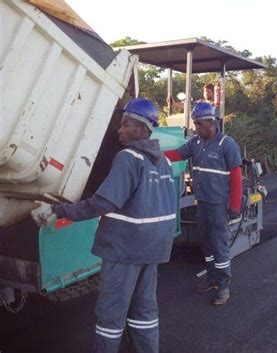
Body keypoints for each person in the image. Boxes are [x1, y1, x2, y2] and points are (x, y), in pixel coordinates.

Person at [31, 98, 177, 353]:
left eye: (125, 125)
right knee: (144, 310)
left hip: (125, 248)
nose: (119, 130)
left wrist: (57, 210)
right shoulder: (162, 161)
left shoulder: (128, 158)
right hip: (153, 248)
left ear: (141, 129)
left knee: (110, 313)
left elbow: (101, 204)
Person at [164, 101, 242, 306]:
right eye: (195, 124)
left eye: (199, 125)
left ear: (211, 122)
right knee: (206, 244)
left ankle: (224, 287)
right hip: (203, 203)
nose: (196, 128)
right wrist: (152, 154)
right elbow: (177, 154)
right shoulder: (196, 143)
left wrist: (234, 205)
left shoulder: (227, 144)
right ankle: (212, 279)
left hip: (218, 205)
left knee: (219, 245)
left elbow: (236, 176)